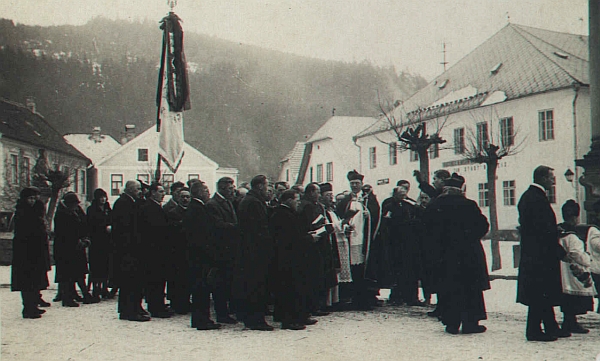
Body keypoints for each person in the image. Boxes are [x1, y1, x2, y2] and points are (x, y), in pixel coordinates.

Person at [422, 173, 490, 334]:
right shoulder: (469, 205)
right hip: (468, 254)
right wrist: (470, 237)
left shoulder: (435, 205)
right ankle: (470, 323)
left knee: (448, 288)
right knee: (469, 289)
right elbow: (483, 226)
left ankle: (451, 323)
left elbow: (426, 229)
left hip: (444, 255)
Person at [517, 166, 570, 341]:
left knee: (542, 293)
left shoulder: (530, 197)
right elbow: (542, 231)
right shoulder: (537, 199)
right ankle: (533, 331)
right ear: (541, 178)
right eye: (550, 177)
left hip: (536, 254)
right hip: (540, 256)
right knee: (539, 293)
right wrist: (559, 251)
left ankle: (551, 326)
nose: (553, 181)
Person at [271, 189, 320, 330]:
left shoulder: (286, 213)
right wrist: (309, 238)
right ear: (288, 200)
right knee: (289, 288)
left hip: (290, 257)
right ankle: (289, 320)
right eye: (296, 200)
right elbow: (289, 239)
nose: (298, 203)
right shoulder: (283, 215)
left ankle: (297, 316)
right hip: (287, 258)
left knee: (293, 287)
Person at [232, 175, 275, 331]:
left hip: (249, 250)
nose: (268, 189)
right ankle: (256, 320)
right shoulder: (254, 202)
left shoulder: (251, 201)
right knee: (256, 285)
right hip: (255, 251)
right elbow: (259, 228)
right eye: (266, 185)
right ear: (259, 186)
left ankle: (251, 317)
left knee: (251, 285)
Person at [336, 170, 380, 310]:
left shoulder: (368, 199)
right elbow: (339, 216)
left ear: (361, 184)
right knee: (352, 268)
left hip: (363, 238)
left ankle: (365, 298)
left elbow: (376, 214)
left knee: (363, 268)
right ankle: (352, 297)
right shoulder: (346, 200)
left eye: (357, 183)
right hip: (350, 238)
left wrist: (369, 214)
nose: (354, 186)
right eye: (352, 183)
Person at [183, 180, 221, 330]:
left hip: (196, 256)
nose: (208, 193)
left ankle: (200, 319)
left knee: (200, 289)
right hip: (200, 257)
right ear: (199, 192)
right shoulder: (198, 209)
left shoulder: (195, 208)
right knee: (201, 289)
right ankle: (202, 320)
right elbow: (202, 236)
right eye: (206, 190)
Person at [557, 200, 596, 334]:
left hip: (562, 268)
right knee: (572, 298)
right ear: (575, 217)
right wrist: (586, 259)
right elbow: (576, 253)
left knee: (566, 297)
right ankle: (570, 322)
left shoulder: (559, 232)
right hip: (572, 269)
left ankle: (570, 321)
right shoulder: (572, 235)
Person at [11, 187, 50, 318]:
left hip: (35, 252)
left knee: (35, 280)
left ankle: (33, 305)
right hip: (26, 254)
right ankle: (28, 308)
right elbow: (24, 233)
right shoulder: (22, 213)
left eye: (34, 198)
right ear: (24, 199)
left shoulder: (35, 212)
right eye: (30, 198)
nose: (32, 201)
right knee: (27, 282)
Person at [113, 180, 149, 322]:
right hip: (128, 250)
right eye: (137, 189)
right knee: (130, 282)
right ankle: (129, 311)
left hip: (130, 249)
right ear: (129, 189)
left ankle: (130, 309)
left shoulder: (131, 202)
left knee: (131, 282)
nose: (140, 191)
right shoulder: (124, 203)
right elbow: (127, 228)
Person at [205, 177, 239, 324]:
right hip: (220, 250)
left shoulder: (227, 202)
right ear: (223, 188)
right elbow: (217, 226)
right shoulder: (213, 205)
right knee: (220, 284)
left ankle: (225, 312)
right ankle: (221, 313)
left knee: (227, 282)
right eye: (231, 189)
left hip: (229, 249)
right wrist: (238, 228)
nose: (233, 191)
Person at [298, 182, 335, 316]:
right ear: (311, 193)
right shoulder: (306, 206)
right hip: (311, 243)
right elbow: (309, 224)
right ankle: (312, 306)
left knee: (321, 274)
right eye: (317, 192)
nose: (319, 195)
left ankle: (318, 304)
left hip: (321, 242)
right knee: (312, 276)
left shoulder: (318, 205)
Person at [382, 185, 422, 306]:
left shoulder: (410, 204)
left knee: (410, 270)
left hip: (409, 243)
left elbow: (418, 214)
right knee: (397, 270)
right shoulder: (390, 205)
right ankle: (396, 296)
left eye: (404, 194)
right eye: (401, 194)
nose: (403, 196)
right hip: (396, 242)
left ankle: (411, 297)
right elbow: (387, 222)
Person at [53, 192, 94, 307]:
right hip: (66, 248)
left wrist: (84, 238)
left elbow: (83, 223)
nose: (76, 205)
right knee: (67, 274)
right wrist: (78, 240)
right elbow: (64, 233)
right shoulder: (62, 214)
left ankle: (78, 294)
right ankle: (67, 297)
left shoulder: (75, 211)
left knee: (78, 272)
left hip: (76, 247)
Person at [138, 182, 172, 318]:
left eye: (163, 191)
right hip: (154, 250)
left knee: (159, 279)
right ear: (152, 193)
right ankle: (156, 307)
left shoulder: (156, 207)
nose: (163, 194)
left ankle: (158, 304)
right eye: (160, 191)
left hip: (158, 250)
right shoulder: (149, 208)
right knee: (154, 280)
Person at [320, 182, 351, 311]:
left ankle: (336, 300)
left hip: (340, 240)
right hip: (332, 242)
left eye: (331, 195)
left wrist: (345, 227)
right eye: (327, 195)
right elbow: (329, 226)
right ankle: (328, 302)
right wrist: (340, 224)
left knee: (339, 272)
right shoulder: (322, 210)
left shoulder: (333, 210)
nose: (330, 198)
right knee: (333, 273)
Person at [165, 187, 191, 314]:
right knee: (177, 277)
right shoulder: (173, 212)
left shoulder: (192, 211)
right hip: (177, 250)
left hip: (188, 250)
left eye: (187, 197)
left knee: (186, 278)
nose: (185, 199)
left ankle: (185, 301)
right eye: (183, 197)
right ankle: (177, 303)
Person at [86, 188, 112, 301]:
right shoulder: (92, 209)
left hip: (107, 241)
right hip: (96, 241)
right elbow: (91, 224)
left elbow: (112, 219)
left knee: (106, 264)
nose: (103, 199)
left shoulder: (107, 208)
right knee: (96, 266)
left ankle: (104, 287)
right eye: (101, 197)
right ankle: (96, 288)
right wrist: (103, 228)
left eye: (104, 197)